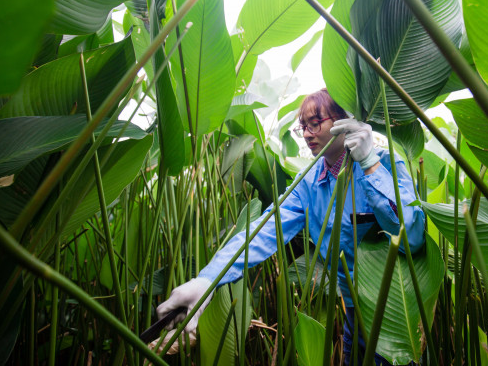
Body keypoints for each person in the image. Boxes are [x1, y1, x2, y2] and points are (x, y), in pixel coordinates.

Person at [155, 88, 425, 364]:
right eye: (302, 127)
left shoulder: (385, 162)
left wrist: (369, 165)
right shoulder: (307, 183)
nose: (307, 134)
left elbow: (411, 237)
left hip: (394, 314)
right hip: (352, 312)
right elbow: (263, 231)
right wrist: (208, 280)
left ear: (343, 120)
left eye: (315, 123)